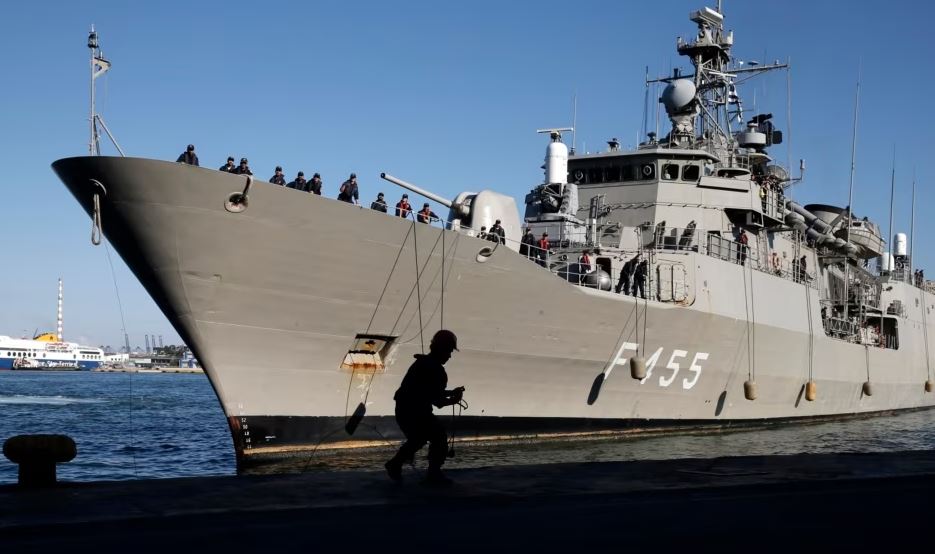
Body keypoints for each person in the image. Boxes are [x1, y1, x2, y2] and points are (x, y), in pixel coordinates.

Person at [384, 329, 464, 486]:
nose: (449, 355)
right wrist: (454, 400)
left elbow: (426, 391)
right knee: (438, 436)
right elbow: (437, 401)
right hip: (416, 412)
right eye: (449, 351)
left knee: (418, 439)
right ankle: (433, 474)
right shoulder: (436, 370)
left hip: (404, 410)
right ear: (441, 349)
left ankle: (395, 464)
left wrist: (450, 393)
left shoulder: (421, 363)